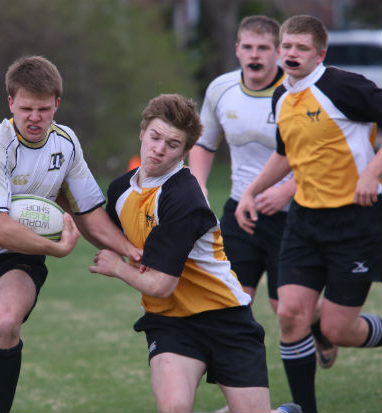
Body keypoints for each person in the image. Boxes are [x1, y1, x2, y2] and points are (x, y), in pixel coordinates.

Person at [0, 55, 141, 413]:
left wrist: (132, 251)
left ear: (57, 104)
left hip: (19, 259)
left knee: (6, 321)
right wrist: (56, 249)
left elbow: (88, 213)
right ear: (10, 102)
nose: (35, 117)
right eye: (26, 108)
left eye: (44, 109)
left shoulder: (66, 143)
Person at [89, 93, 300, 413]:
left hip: (226, 319)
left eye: (172, 144)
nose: (159, 149)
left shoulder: (183, 197)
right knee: (174, 408)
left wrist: (117, 268)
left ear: (185, 151)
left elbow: (161, 284)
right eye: (155, 137)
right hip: (170, 322)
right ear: (142, 132)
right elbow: (107, 232)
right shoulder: (121, 189)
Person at [235, 15, 382, 413]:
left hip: (355, 221)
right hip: (304, 222)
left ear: (320, 53)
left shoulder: (343, 86)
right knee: (290, 315)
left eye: (301, 48)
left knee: (338, 329)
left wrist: (372, 171)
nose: (291, 54)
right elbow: (287, 156)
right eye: (286, 46)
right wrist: (252, 191)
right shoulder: (280, 95)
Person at [188, 15, 337, 370]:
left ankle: (320, 324)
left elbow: (324, 155)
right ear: (238, 50)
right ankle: (240, 395)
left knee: (284, 309)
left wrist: (287, 190)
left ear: (278, 52)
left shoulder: (299, 91)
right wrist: (199, 185)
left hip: (295, 214)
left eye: (264, 48)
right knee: (233, 304)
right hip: (242, 209)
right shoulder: (220, 89)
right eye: (249, 47)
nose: (256, 55)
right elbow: (205, 144)